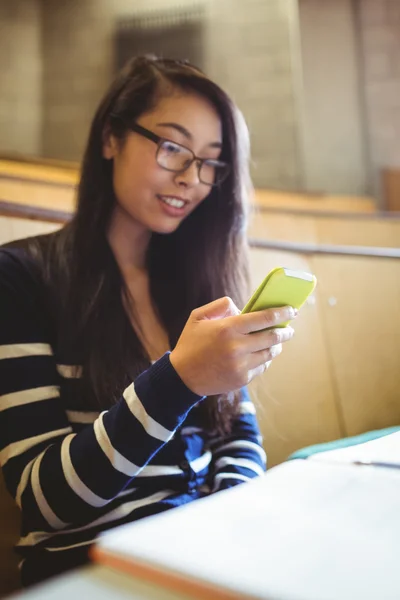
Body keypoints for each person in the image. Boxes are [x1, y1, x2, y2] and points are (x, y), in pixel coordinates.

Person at [0, 55, 295, 587]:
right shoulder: (19, 277)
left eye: (210, 161)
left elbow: (238, 435)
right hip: (93, 566)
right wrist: (179, 380)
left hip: (205, 555)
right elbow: (46, 500)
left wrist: (228, 524)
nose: (191, 179)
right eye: (173, 148)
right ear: (111, 138)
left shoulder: (192, 283)